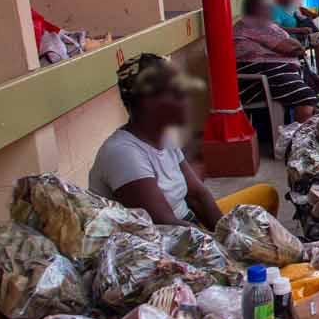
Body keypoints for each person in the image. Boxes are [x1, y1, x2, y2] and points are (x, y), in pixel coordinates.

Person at [89, 54, 278, 229]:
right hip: (160, 248)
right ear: (149, 103)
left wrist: (228, 234)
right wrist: (224, 246)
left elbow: (198, 195)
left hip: (187, 225)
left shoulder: (161, 137)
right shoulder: (123, 154)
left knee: (266, 195)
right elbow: (166, 226)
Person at [232, 0, 319, 124]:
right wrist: (297, 46)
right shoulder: (254, 24)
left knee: (310, 84)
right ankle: (304, 140)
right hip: (255, 80)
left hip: (264, 72)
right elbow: (291, 48)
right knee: (306, 97)